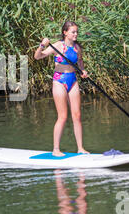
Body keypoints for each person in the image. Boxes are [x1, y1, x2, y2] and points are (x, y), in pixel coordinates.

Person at [34, 21, 89, 157]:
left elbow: (80, 62)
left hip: (72, 80)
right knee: (63, 116)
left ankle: (80, 148)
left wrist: (83, 71)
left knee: (77, 115)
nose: (76, 34)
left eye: (76, 32)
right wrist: (42, 45)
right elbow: (37, 57)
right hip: (59, 81)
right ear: (65, 33)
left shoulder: (77, 48)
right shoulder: (58, 46)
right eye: (73, 32)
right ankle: (56, 149)